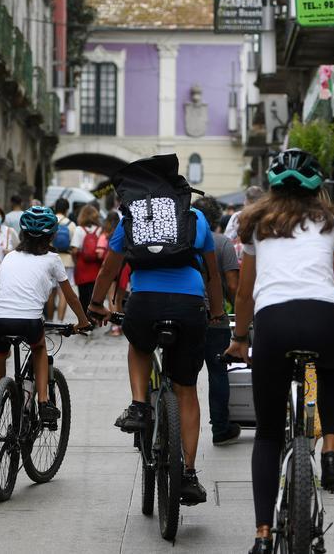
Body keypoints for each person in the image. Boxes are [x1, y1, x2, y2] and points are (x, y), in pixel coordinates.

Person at [221, 149, 334, 554]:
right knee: (331, 367)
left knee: (268, 435)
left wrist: (239, 338)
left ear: (272, 186)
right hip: (326, 320)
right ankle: (332, 449)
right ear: (317, 185)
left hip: (273, 325)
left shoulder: (255, 224)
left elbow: (246, 293)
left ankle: (262, 534)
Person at [89, 155, 225, 508]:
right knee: (187, 390)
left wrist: (97, 305)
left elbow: (108, 270)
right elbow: (212, 276)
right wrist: (217, 313)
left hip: (145, 303)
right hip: (189, 306)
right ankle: (190, 475)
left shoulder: (131, 218)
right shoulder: (194, 218)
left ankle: (138, 406)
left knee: (138, 344)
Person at [0, 207, 93, 429]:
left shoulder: (9, 257)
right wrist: (83, 322)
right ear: (52, 235)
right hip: (29, 322)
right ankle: (43, 401)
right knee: (39, 349)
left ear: (22, 234)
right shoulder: (53, 259)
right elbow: (71, 297)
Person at [193, 196, 242, 446]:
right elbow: (233, 286)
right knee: (217, 373)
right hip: (215, 318)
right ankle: (220, 428)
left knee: (184, 376)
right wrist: (240, 314)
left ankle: (180, 426)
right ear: (215, 219)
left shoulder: (184, 240)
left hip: (187, 314)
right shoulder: (223, 243)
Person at [46, 197, 77, 321]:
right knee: (63, 293)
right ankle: (60, 322)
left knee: (50, 292)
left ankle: (49, 320)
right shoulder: (71, 224)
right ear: (67, 209)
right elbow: (75, 247)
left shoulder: (50, 222)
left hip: (50, 259)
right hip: (67, 261)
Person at [71, 205, 107, 311]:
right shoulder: (100, 230)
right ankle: (94, 316)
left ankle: (85, 319)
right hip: (96, 267)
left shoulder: (79, 229)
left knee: (83, 295)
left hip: (82, 267)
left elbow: (75, 250)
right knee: (94, 294)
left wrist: (76, 261)